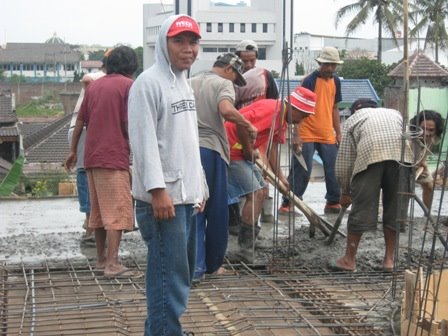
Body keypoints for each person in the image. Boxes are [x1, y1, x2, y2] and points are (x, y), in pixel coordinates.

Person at [128, 15, 208, 336]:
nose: (188, 49)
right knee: (168, 278)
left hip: (186, 197)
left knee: (179, 274)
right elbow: (144, 141)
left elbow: (188, 140)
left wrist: (199, 187)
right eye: (179, 41)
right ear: (164, 43)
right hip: (165, 201)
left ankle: (161, 330)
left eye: (193, 42)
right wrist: (157, 191)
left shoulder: (184, 82)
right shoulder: (148, 83)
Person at [65, 45, 138, 278]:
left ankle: (100, 260)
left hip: (92, 156)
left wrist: (73, 151)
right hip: (113, 155)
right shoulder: (129, 86)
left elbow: (80, 122)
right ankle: (113, 264)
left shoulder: (94, 87)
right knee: (117, 209)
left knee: (97, 211)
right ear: (131, 65)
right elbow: (129, 123)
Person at [226, 86, 317, 263]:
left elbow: (273, 147)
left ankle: (252, 236)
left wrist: (280, 177)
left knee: (264, 190)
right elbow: (241, 123)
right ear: (295, 108)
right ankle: (244, 250)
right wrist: (247, 149)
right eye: (303, 116)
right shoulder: (271, 110)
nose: (302, 121)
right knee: (256, 193)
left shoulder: (283, 118)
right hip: (231, 150)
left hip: (242, 151)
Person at [190, 53, 257, 281]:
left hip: (187, 150)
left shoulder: (190, 81)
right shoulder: (223, 84)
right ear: (229, 69)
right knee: (216, 211)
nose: (235, 84)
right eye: (235, 77)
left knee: (194, 207)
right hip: (210, 150)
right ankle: (213, 265)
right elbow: (226, 110)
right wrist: (247, 125)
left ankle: (195, 267)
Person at [329, 99, 413, 272]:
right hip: (403, 158)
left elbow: (345, 161)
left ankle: (349, 260)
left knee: (362, 208)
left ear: (354, 111)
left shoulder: (353, 120)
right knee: (395, 209)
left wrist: (345, 191)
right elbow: (409, 140)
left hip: (370, 155)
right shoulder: (394, 113)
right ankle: (389, 260)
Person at [281, 46, 343, 214]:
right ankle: (289, 201)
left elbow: (335, 108)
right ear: (320, 63)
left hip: (326, 132)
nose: (329, 68)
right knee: (302, 169)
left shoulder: (335, 82)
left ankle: (333, 201)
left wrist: (338, 132)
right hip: (307, 131)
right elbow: (297, 108)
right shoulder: (309, 80)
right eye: (326, 64)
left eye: (332, 65)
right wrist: (297, 135)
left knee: (333, 168)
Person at [235, 39, 279, 223]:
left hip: (261, 135)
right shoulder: (231, 79)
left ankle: (267, 215)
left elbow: (275, 105)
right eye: (244, 61)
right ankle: (241, 221)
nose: (248, 65)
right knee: (243, 181)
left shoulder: (265, 77)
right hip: (237, 136)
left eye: (252, 61)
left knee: (264, 175)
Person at [67, 50, 110, 244]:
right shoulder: (99, 77)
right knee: (85, 172)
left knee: (93, 174)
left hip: (91, 131)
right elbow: (86, 79)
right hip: (83, 130)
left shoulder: (112, 79)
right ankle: (89, 223)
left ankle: (93, 222)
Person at [410, 110, 444, 209]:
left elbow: (425, 152)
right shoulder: (410, 137)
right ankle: (402, 218)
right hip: (405, 164)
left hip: (419, 165)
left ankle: (427, 213)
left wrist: (423, 163)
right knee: (406, 190)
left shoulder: (433, 137)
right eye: (423, 128)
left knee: (429, 186)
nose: (427, 133)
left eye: (431, 130)